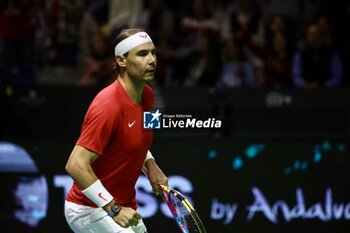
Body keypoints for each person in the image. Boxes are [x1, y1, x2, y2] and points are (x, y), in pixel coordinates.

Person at [64, 28, 168, 233]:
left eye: (153, 52)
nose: (152, 60)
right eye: (142, 54)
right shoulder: (108, 105)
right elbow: (75, 165)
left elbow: (136, 139)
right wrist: (114, 209)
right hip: (90, 210)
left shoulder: (147, 95)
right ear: (121, 61)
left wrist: (151, 165)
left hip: (126, 204)